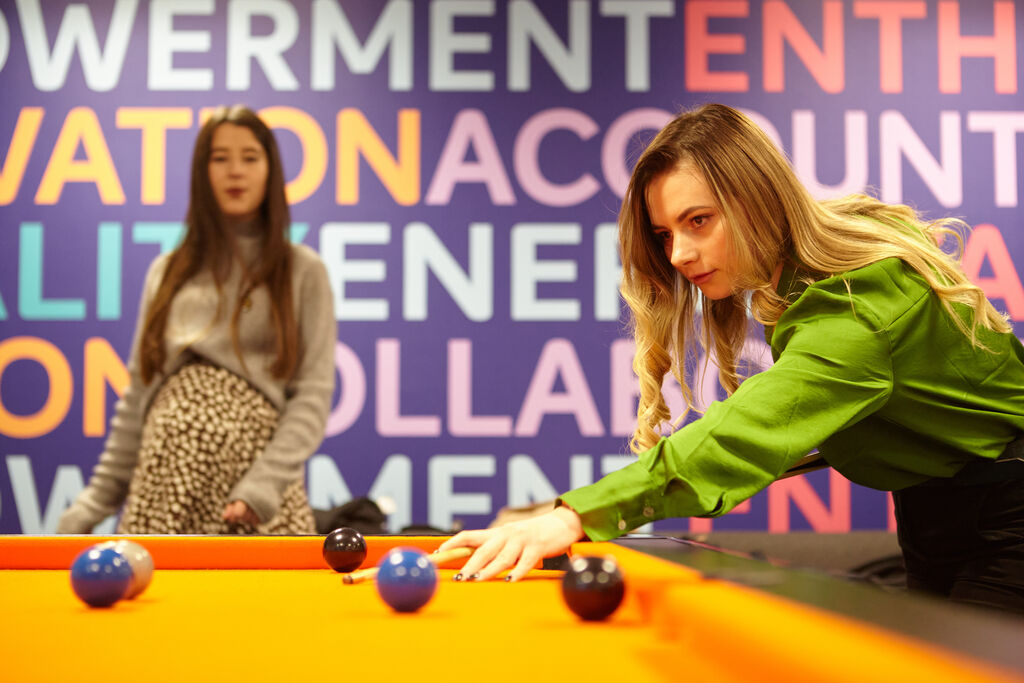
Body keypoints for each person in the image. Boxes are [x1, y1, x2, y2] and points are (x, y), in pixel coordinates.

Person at [439, 103, 1024, 614]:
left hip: (1008, 521)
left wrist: (573, 517)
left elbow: (740, 434)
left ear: (759, 200)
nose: (681, 254)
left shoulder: (858, 305)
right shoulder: (802, 285)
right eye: (665, 234)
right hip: (936, 515)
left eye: (699, 221)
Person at [58, 105, 337, 535]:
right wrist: (92, 504)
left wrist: (262, 486)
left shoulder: (302, 270)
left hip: (253, 492)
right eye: (220, 158)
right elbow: (138, 397)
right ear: (202, 172)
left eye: (250, 157)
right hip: (163, 485)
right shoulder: (168, 271)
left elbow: (313, 396)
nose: (235, 171)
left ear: (271, 170)